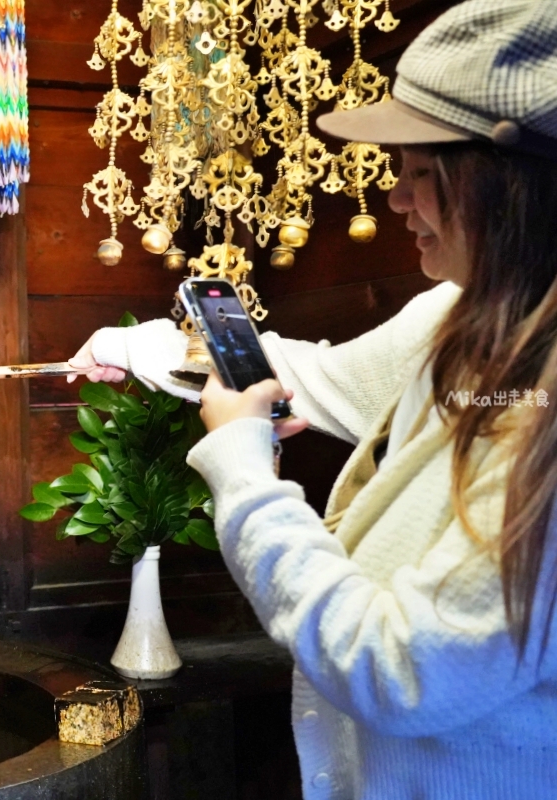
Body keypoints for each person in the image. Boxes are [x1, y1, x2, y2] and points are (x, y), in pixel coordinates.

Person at [68, 2, 557, 797]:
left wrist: (244, 475)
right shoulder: (457, 313)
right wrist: (144, 347)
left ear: (502, 184)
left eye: (418, 173)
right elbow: (318, 379)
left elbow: (404, 668)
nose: (396, 201)